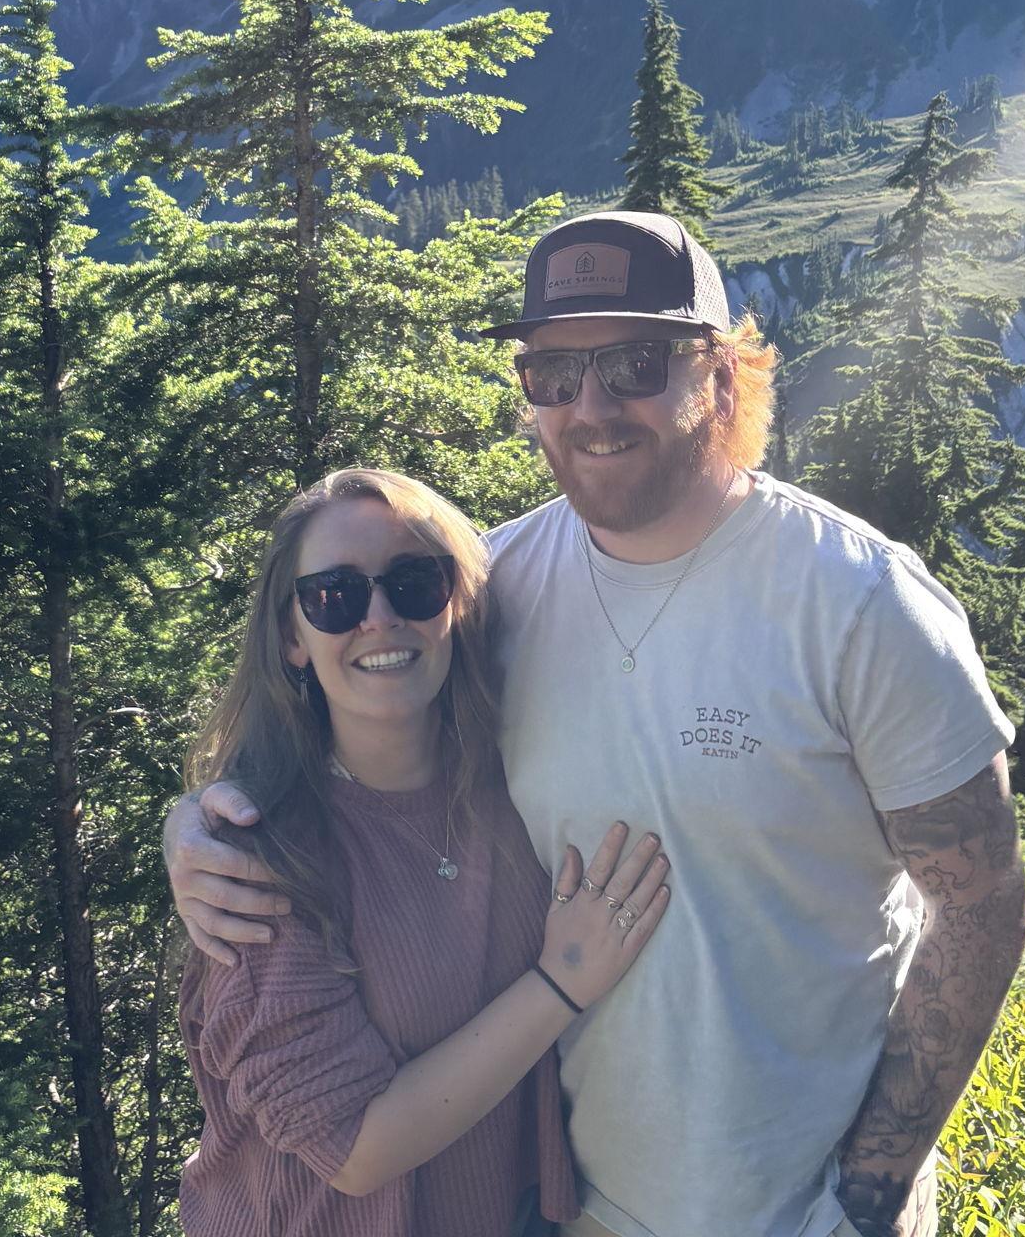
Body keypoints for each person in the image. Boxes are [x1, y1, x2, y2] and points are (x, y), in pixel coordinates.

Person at [167, 213, 1025, 1237]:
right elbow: (359, 723)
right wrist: (204, 826)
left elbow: (979, 909)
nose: (590, 405)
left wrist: (870, 1191)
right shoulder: (493, 589)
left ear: (716, 373)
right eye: (553, 373)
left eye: (634, 363)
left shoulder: (858, 601)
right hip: (570, 1214)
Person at [176, 465, 670, 1236]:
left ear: (457, 604)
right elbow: (356, 1150)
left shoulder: (520, 781)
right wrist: (563, 981)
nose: (378, 618)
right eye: (333, 596)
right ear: (291, 638)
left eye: (413, 583)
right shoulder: (261, 863)